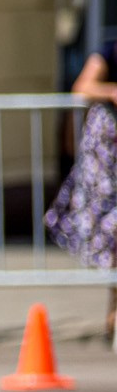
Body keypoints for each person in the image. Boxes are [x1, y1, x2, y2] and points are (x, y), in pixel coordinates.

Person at [49, 41, 117, 342]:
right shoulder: (111, 52)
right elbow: (83, 86)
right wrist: (111, 90)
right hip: (107, 164)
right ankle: (114, 313)